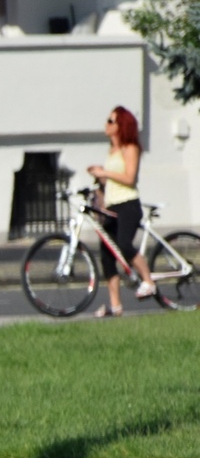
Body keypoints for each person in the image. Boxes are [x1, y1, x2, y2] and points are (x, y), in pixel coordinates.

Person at [87, 105, 154, 317]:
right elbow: (112, 180)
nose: (106, 124)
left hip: (128, 204)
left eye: (111, 121)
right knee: (107, 255)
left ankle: (148, 281)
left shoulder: (130, 148)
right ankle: (115, 306)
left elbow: (129, 178)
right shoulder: (112, 151)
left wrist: (105, 172)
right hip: (112, 205)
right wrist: (99, 178)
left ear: (121, 125)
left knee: (124, 244)